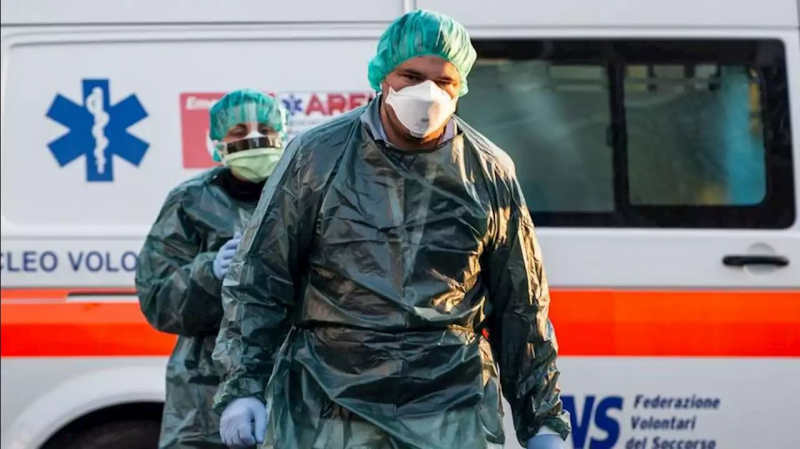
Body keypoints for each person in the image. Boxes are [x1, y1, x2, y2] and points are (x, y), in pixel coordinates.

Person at [214, 10, 570, 449]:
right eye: (412, 76)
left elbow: (521, 305)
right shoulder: (317, 157)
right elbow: (261, 276)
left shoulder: (488, 171)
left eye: (444, 82)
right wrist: (244, 386)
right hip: (327, 405)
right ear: (383, 76)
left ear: (461, 86)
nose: (428, 93)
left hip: (449, 407)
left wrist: (542, 421)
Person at [136, 89, 287, 448]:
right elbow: (157, 301)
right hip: (204, 394)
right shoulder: (190, 202)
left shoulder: (300, 194)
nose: (254, 138)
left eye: (265, 128)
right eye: (238, 131)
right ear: (218, 141)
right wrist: (210, 273)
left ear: (283, 134)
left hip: (289, 381)